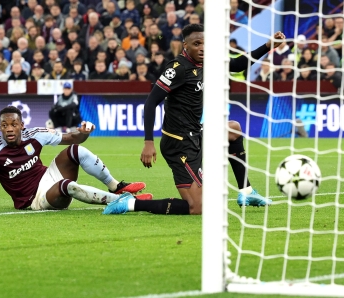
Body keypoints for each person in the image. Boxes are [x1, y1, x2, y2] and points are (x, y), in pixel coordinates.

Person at [103, 24, 285, 215]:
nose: (202, 48)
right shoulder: (177, 69)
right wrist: (149, 142)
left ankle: (246, 192)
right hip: (179, 144)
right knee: (197, 207)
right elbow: (151, 102)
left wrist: (268, 45)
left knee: (233, 129)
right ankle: (131, 203)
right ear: (185, 45)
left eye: (205, 43)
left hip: (196, 133)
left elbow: (238, 64)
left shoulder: (207, 61)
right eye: (197, 43)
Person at [0, 106, 149, 212]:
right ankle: (127, 203)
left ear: (22, 125)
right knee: (67, 185)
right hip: (35, 199)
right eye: (5, 125)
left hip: (48, 177)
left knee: (76, 150)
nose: (10, 129)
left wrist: (83, 132)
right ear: (0, 128)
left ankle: (116, 187)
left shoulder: (35, 134)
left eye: (14, 124)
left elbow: (72, 138)